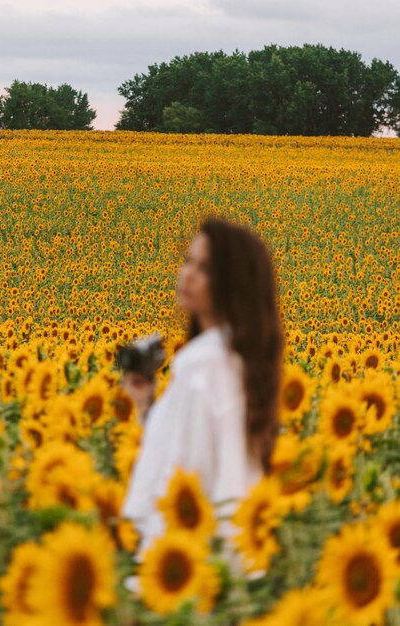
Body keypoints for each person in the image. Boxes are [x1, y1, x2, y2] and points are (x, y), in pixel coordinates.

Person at [120, 214, 284, 593]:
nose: (188, 274)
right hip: (228, 569)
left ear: (231, 285)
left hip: (183, 571)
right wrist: (148, 407)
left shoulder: (202, 367)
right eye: (188, 261)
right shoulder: (238, 361)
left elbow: (183, 478)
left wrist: (157, 573)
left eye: (205, 268)